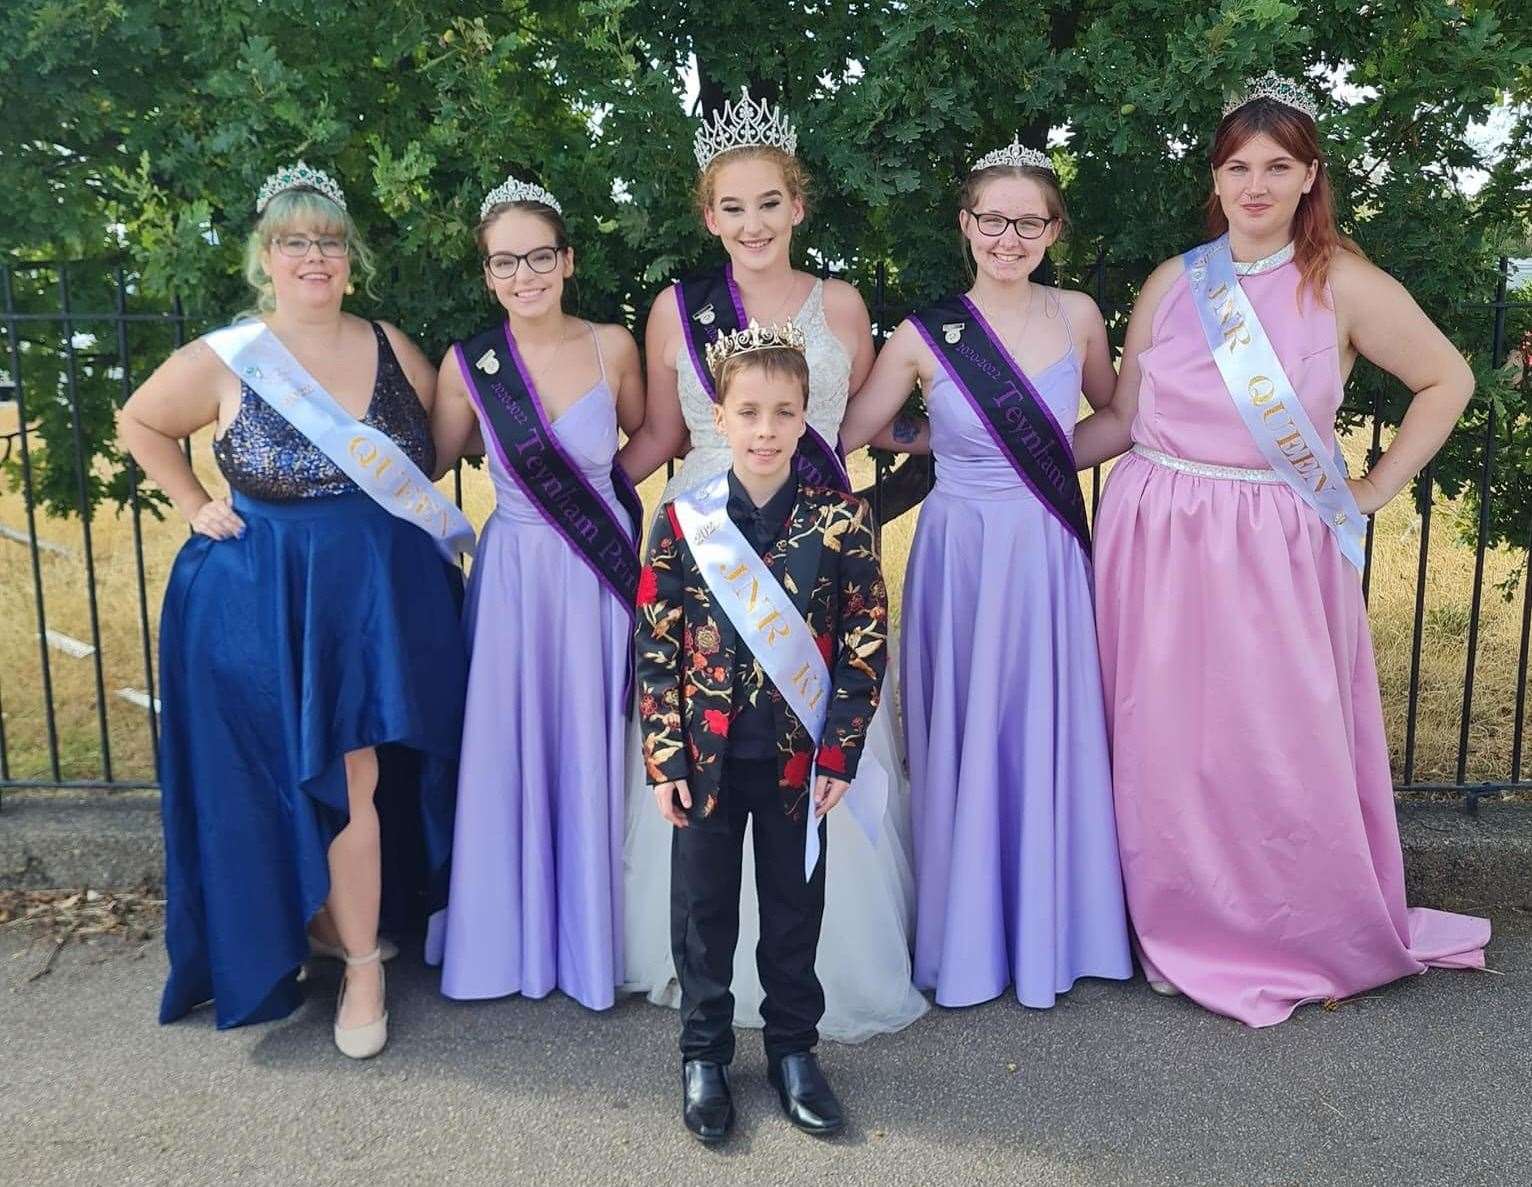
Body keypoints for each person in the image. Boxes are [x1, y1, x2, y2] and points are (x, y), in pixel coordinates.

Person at [1074, 73, 1491, 1025]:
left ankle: (1282, 923)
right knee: (1164, 736)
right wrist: (998, 454)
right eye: (1236, 167)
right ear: (1215, 180)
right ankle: (1171, 915)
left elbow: (1449, 380)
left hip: (1271, 541)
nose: (1254, 184)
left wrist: (1376, 486)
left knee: (1271, 741)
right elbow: (1126, 418)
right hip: (1155, 534)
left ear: (1310, 176)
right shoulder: (1175, 282)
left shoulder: (1341, 279)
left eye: (1277, 166)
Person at [118, 162, 472, 1057]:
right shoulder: (227, 356)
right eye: (294, 242)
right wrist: (192, 499)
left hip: (378, 600)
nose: (313, 256)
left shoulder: (393, 342)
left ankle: (350, 933)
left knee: (362, 769)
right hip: (268, 597)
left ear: (349, 258)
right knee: (329, 769)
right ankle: (358, 959)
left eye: (328, 241)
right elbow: (140, 423)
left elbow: (427, 452)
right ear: (265, 258)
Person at [620, 87, 927, 1042]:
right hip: (709, 558)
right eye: (731, 206)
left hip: (812, 566)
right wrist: (575, 502)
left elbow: (862, 431)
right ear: (709, 215)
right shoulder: (674, 312)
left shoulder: (841, 304)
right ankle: (708, 996)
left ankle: (823, 982)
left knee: (815, 765)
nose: (751, 224)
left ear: (797, 205)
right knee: (710, 774)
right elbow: (665, 438)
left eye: (769, 202)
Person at [840, 138, 1132, 1007]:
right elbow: (858, 428)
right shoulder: (925, 333)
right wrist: (941, 440)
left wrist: (1027, 456)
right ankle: (964, 932)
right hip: (960, 549)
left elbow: (1113, 419)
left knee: (1044, 725)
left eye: (1028, 221)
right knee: (964, 729)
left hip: (1043, 543)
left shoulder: (1079, 314)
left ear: (1053, 228)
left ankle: (1056, 927)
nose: (1010, 237)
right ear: (967, 224)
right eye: (992, 219)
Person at [635, 320, 888, 1141]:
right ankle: (703, 1054)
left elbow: (863, 644)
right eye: (749, 412)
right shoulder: (683, 521)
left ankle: (792, 1052)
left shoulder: (841, 522)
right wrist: (665, 753)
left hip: (797, 761)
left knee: (791, 910)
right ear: (721, 417)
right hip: (706, 762)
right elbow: (656, 645)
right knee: (703, 911)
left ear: (806, 416)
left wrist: (843, 750)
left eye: (784, 413)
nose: (767, 430)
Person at [426, 176, 645, 1009]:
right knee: (514, 745)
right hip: (514, 573)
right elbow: (433, 467)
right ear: (488, 274)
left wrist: (596, 507)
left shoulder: (612, 345)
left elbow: (650, 433)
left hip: (596, 572)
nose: (526, 275)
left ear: (568, 260)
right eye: (506, 261)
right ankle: (510, 937)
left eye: (540, 255)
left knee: (599, 739)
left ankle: (598, 939)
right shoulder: (468, 363)